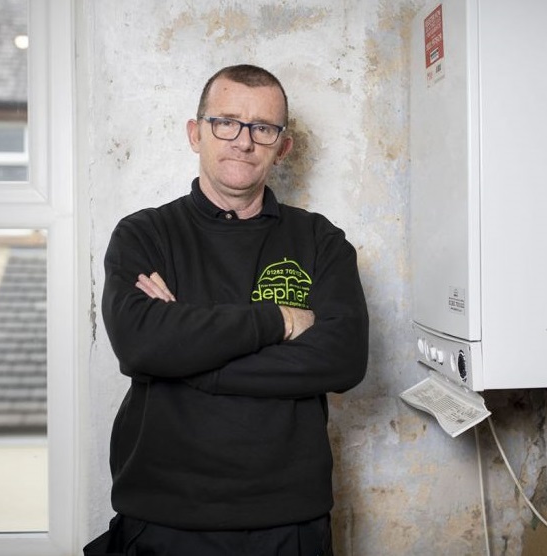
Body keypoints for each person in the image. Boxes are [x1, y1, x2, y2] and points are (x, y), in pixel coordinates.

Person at [85, 64, 369, 556]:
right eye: (227, 122)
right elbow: (140, 342)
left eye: (263, 128)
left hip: (290, 522)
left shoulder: (320, 241)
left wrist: (190, 360)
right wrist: (277, 319)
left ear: (283, 146)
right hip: (164, 519)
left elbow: (343, 359)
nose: (243, 141)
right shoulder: (144, 234)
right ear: (196, 134)